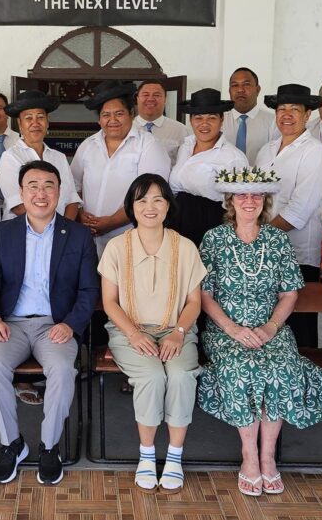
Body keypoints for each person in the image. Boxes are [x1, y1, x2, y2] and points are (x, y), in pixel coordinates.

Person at [196, 166, 322, 497]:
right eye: (242, 195)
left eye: (256, 195)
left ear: (265, 201)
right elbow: (204, 294)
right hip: (225, 330)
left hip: (272, 329)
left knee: (281, 369)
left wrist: (271, 327)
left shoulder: (277, 239)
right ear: (230, 201)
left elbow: (289, 294)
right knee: (241, 367)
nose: (249, 201)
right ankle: (249, 456)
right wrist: (233, 329)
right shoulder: (214, 238)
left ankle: (268, 457)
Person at [0, 160, 100, 485]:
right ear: (21, 192)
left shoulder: (77, 235)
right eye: (32, 186)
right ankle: (12, 444)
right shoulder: (3, 233)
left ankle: (50, 446)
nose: (41, 193)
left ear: (59, 192)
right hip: (11, 324)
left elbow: (89, 289)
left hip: (55, 325)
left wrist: (71, 324)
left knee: (61, 369)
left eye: (49, 186)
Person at [98, 174, 206, 495]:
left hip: (176, 330)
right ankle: (146, 454)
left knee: (181, 375)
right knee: (152, 376)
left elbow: (194, 301)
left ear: (168, 205)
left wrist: (179, 333)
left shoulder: (185, 247)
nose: (150, 206)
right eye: (142, 200)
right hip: (128, 331)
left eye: (158, 199)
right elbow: (109, 302)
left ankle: (174, 456)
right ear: (131, 207)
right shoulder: (117, 247)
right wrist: (133, 334)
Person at [253, 84, 322, 347]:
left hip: (298, 252)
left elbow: (300, 208)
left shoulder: (314, 151)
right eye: (281, 109)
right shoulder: (266, 150)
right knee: (268, 317)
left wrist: (259, 238)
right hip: (263, 250)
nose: (287, 115)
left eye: (294, 110)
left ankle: (304, 369)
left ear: (307, 115)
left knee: (299, 321)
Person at [71, 80, 171, 256]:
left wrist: (111, 222)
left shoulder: (148, 145)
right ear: (99, 119)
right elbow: (73, 186)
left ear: (131, 113)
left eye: (119, 113)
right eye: (106, 115)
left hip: (130, 239)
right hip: (87, 240)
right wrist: (80, 213)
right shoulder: (88, 145)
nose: (112, 120)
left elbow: (150, 195)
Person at [168, 88, 249, 247]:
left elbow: (239, 206)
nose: (204, 123)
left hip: (211, 226)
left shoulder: (233, 158)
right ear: (190, 120)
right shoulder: (186, 146)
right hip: (176, 221)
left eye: (211, 118)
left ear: (221, 119)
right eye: (198, 118)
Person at [0, 90, 81, 221]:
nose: (35, 123)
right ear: (20, 124)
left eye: (40, 117)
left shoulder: (59, 157)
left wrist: (63, 228)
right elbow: (17, 206)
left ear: (47, 122)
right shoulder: (10, 157)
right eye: (28, 118)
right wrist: (51, 227)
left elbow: (72, 200)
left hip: (61, 230)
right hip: (23, 230)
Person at [220, 67, 278, 163]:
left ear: (258, 89)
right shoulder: (218, 121)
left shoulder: (274, 122)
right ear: (229, 91)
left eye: (246, 84)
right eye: (235, 85)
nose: (240, 90)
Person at [134, 79, 189, 163]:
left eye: (156, 95)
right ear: (137, 99)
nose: (150, 99)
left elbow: (185, 164)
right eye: (145, 95)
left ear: (165, 99)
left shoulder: (180, 129)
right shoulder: (126, 128)